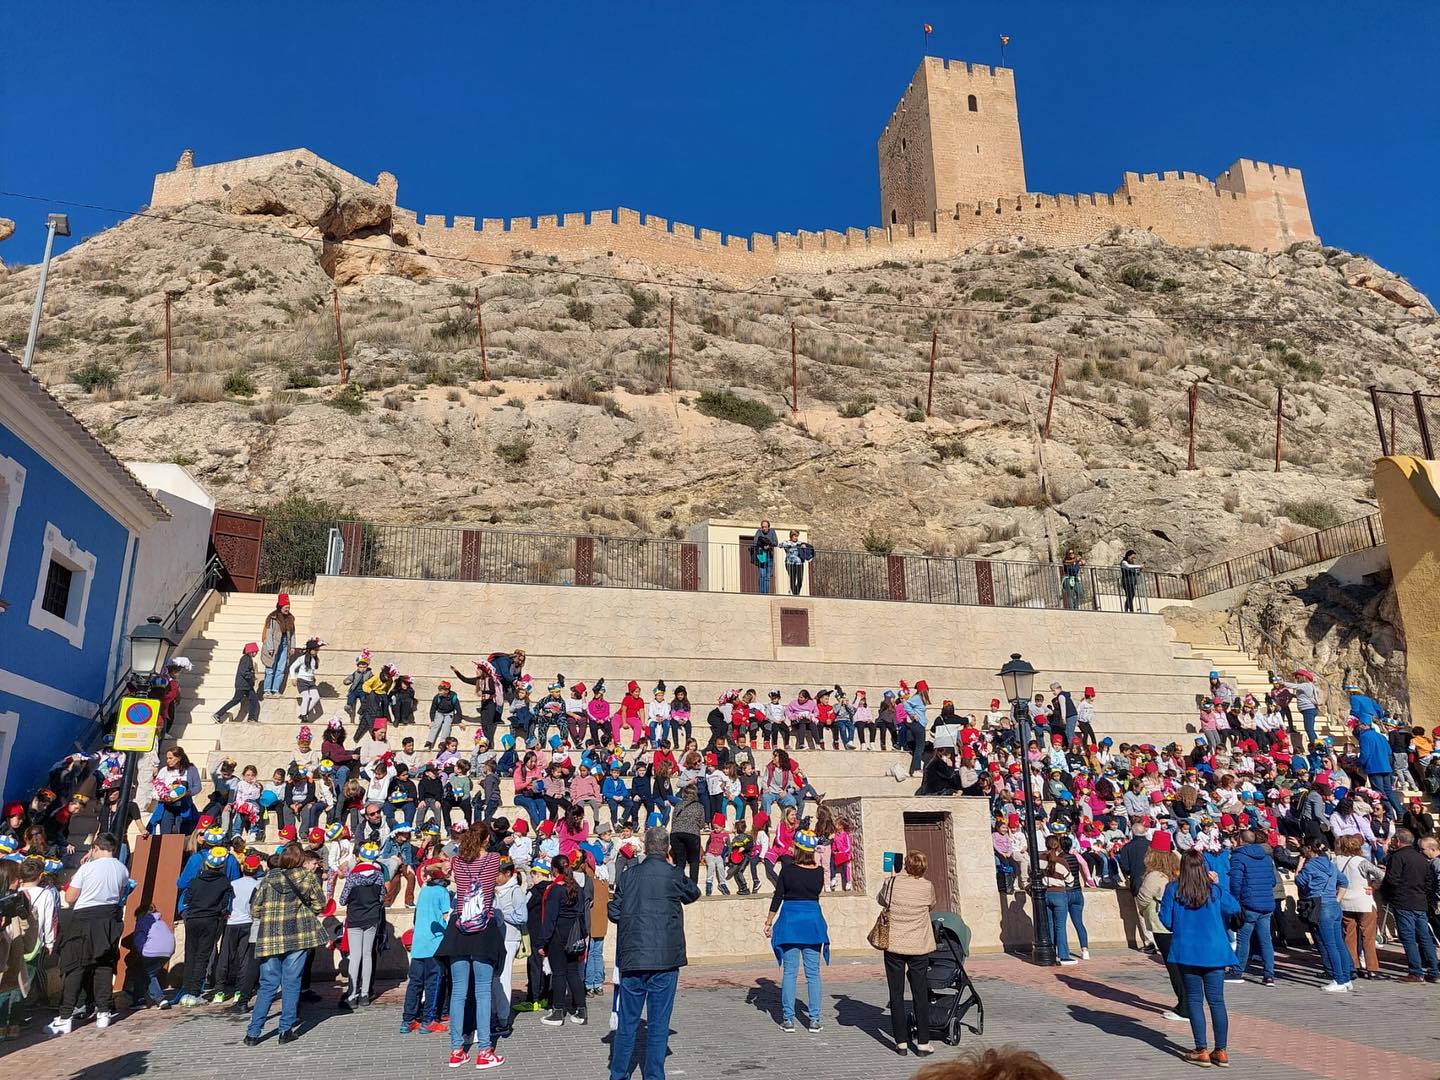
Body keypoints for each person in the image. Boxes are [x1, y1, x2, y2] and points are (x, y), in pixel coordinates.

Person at [608, 825, 701, 1080]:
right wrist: (673, 866)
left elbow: (613, 911)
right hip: (664, 960)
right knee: (658, 1025)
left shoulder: (628, 876)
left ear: (645, 848)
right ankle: (654, 1076)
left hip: (635, 957)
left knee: (627, 1023)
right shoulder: (673, 875)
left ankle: (618, 1074)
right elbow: (693, 893)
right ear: (667, 848)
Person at [1160, 850, 1240, 1069]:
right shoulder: (1213, 890)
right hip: (1214, 951)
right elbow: (1234, 908)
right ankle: (1221, 1050)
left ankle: (1201, 1049)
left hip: (1188, 951)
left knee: (1195, 1000)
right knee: (1217, 1000)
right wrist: (1219, 883)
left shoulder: (1174, 889)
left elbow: (1166, 919)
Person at [436, 819, 505, 1069]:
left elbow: (442, 860)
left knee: (458, 991)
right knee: (483, 991)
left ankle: (457, 1049)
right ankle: (484, 1050)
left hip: (459, 926)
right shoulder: (494, 859)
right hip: (482, 926)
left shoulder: (457, 861)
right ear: (486, 839)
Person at [244, 844, 327, 1045]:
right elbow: (320, 904)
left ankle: (253, 1033)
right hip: (298, 936)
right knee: (292, 982)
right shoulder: (307, 877)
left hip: (271, 937)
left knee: (267, 985)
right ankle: (285, 1030)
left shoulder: (268, 879)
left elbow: (254, 910)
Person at [47, 834, 128, 1035]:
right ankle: (103, 1012)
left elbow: (71, 896)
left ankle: (65, 1017)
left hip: (84, 919)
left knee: (76, 966)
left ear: (95, 848)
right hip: (108, 918)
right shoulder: (122, 868)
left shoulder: (87, 868)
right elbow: (121, 892)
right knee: (103, 964)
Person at [764, 828, 828, 1033]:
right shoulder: (818, 872)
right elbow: (816, 892)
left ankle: (788, 1019)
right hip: (812, 923)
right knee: (813, 974)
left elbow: (778, 896)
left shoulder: (788, 870)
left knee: (790, 973)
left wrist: (769, 921)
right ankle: (815, 1019)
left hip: (790, 922)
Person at [880, 850, 937, 1057]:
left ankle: (901, 1042)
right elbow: (932, 905)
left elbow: (881, 901)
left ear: (905, 864)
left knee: (896, 993)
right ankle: (923, 1043)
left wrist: (894, 879)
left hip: (894, 944)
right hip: (918, 946)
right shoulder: (927, 886)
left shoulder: (892, 883)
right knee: (920, 993)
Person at [1135, 834, 1186, 1022]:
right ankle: (1185, 1003)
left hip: (1161, 924)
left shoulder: (1155, 876)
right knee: (1180, 964)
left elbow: (1142, 898)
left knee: (1173, 966)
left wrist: (1142, 910)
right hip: (1179, 922)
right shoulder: (1177, 870)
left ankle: (1185, 1006)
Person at [1379, 827, 1439, 983]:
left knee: (1409, 938)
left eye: (1393, 840)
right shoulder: (1422, 858)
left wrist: (1388, 894)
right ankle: (1434, 971)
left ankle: (1416, 971)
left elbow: (1391, 880)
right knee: (1425, 938)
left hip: (1404, 902)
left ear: (1398, 841)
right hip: (1420, 902)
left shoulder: (1397, 857)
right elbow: (1429, 882)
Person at [1295, 838, 1353, 993]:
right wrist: (1337, 899)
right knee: (1340, 943)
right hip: (1334, 906)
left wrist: (1300, 865)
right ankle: (1347, 978)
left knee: (1330, 945)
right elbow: (1344, 881)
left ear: (1309, 849)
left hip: (1321, 905)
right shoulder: (1331, 865)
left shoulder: (1310, 866)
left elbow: (1299, 881)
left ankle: (1338, 979)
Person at [1226, 828, 1277, 985]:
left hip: (1249, 903)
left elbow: (1235, 882)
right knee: (1265, 940)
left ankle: (1237, 971)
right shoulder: (1266, 857)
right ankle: (1269, 975)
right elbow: (1273, 881)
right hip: (1266, 902)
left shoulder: (1238, 857)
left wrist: (1236, 900)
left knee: (1243, 939)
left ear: (1240, 840)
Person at [1333, 833, 1384, 980]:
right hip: (1364, 901)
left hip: (1344, 902)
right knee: (1368, 937)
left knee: (1350, 936)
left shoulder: (1335, 861)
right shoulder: (1361, 861)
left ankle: (1352, 966)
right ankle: (1372, 968)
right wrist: (1373, 887)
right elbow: (1380, 874)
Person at [213, 642, 261, 723]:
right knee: (235, 700)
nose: (256, 653)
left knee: (254, 700)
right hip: (243, 685)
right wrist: (252, 676)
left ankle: (251, 718)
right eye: (255, 651)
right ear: (251, 651)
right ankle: (218, 714)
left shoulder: (247, 658)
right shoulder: (246, 659)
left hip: (247, 686)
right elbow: (244, 672)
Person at [260, 593, 296, 698]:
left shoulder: (290, 618)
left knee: (281, 668)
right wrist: (270, 647)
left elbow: (293, 634)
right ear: (280, 606)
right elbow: (269, 633)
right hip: (274, 645)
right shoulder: (273, 618)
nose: (287, 609)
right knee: (270, 667)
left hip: (285, 644)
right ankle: (267, 690)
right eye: (285, 607)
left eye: (288, 607)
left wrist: (292, 646)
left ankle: (276, 690)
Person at [751, 520, 778, 595]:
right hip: (761, 555)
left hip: (769, 555)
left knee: (767, 576)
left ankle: (766, 593)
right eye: (762, 527)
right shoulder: (758, 532)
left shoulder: (772, 531)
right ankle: (761, 593)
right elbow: (755, 542)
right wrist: (763, 545)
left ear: (769, 527)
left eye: (765, 527)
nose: (764, 528)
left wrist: (769, 545)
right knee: (762, 575)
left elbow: (776, 542)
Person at [779, 530, 807, 596]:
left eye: (797, 536)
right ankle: (794, 593)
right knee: (792, 578)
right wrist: (786, 545)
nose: (796, 538)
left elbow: (805, 548)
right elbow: (780, 545)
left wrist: (804, 547)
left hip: (799, 563)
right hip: (790, 563)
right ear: (791, 536)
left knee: (800, 578)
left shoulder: (800, 543)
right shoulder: (787, 542)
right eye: (794, 536)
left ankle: (797, 592)